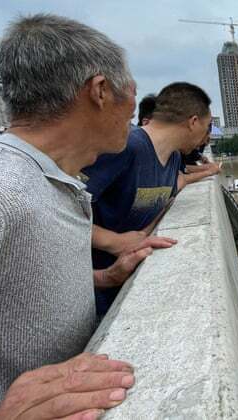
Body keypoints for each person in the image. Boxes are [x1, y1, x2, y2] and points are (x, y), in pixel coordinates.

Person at [0, 14, 144, 416]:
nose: (133, 113)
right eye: (130, 96)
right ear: (99, 90)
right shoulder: (3, 192)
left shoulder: (51, 182)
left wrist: (103, 277)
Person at [82, 82, 219, 315]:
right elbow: (57, 210)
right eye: (206, 128)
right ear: (193, 122)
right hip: (90, 291)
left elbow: (177, 184)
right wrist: (114, 241)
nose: (204, 139)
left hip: (124, 283)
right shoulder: (126, 147)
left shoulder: (174, 157)